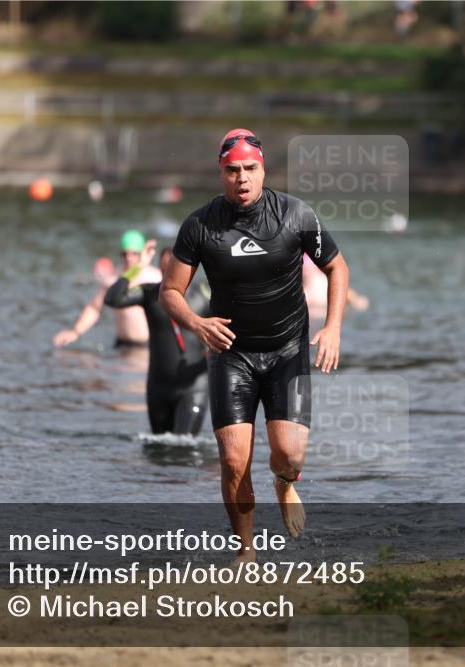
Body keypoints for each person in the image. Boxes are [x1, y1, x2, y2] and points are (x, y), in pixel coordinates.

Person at [160, 128, 350, 556]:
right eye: (232, 171)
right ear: (220, 173)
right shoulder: (200, 225)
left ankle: (284, 484)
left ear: (263, 170)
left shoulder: (296, 215)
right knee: (232, 462)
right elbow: (169, 292)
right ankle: (245, 553)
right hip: (232, 355)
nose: (241, 178)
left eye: (250, 169)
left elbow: (337, 268)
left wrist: (333, 326)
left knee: (290, 456)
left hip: (287, 351)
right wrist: (197, 323)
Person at [105, 247, 210, 435]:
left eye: (174, 269)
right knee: (159, 449)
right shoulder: (150, 293)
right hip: (158, 388)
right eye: (165, 270)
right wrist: (139, 267)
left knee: (184, 447)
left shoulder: (203, 293)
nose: (170, 274)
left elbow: (232, 322)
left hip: (194, 386)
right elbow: (113, 298)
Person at [53, 230, 160, 348]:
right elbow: (94, 308)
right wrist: (75, 332)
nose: (128, 258)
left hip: (146, 346)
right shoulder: (113, 279)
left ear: (142, 253)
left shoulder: (154, 277)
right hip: (121, 343)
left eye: (134, 253)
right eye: (124, 254)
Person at [303, 254, 369, 321]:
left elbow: (346, 293)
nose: (306, 272)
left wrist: (356, 300)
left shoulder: (323, 283)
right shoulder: (305, 289)